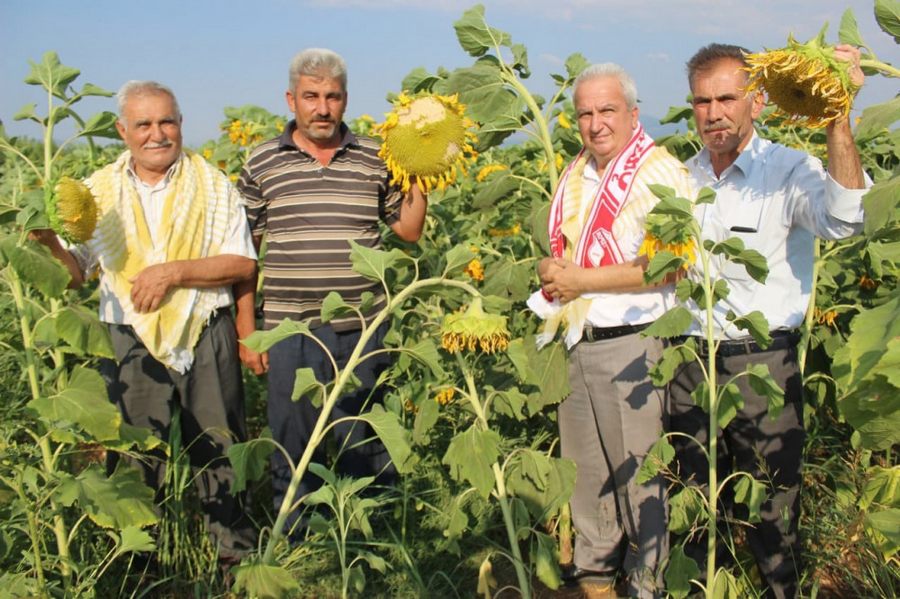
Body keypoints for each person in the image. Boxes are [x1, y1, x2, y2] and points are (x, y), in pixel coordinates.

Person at [670, 44, 868, 599]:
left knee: (771, 510)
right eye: (702, 101)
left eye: (727, 98)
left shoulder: (787, 170)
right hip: (687, 362)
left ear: (756, 100)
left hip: (760, 364)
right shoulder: (680, 179)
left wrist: (837, 114)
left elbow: (843, 221)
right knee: (689, 503)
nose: (714, 113)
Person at [32, 80, 258, 563]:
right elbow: (77, 273)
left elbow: (241, 264)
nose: (157, 134)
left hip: (205, 328)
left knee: (219, 449)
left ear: (179, 123)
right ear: (122, 131)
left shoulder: (214, 184)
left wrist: (173, 272)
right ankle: (138, 566)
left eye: (167, 121)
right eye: (144, 124)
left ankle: (234, 565)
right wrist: (49, 242)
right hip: (127, 336)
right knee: (135, 456)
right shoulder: (98, 192)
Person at [235, 48, 427, 536]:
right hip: (288, 327)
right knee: (292, 437)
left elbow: (407, 231)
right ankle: (297, 537)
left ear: (345, 100)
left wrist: (422, 165)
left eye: (332, 97)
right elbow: (245, 253)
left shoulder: (375, 157)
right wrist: (246, 328)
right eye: (311, 96)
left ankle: (370, 535)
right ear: (291, 99)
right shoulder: (261, 160)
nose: (322, 108)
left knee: (363, 433)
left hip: (362, 326)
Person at [528, 63, 695, 598]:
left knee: (641, 479)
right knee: (587, 479)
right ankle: (596, 582)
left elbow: (673, 262)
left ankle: (648, 586)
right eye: (585, 113)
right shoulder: (578, 172)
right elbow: (569, 251)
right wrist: (552, 273)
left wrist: (580, 278)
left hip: (632, 346)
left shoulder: (659, 171)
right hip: (576, 341)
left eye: (607, 110)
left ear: (632, 114)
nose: (596, 123)